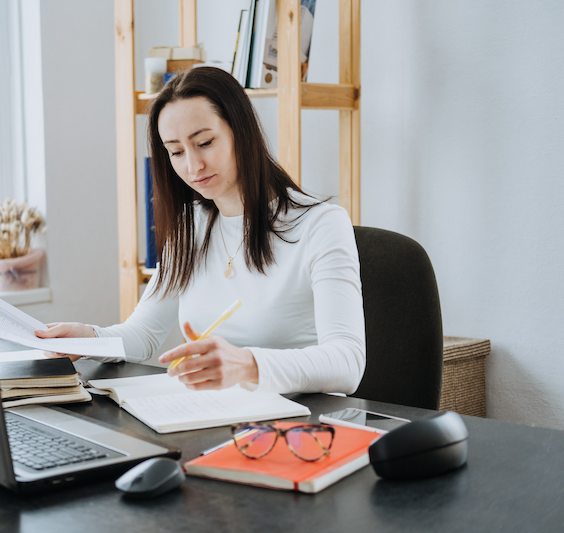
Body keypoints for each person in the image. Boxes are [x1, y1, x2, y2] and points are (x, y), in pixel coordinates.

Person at [36, 67, 365, 395]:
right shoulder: (190, 226)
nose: (193, 167)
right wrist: (87, 338)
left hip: (298, 429)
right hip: (214, 417)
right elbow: (145, 332)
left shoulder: (321, 225)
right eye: (176, 152)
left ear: (241, 131)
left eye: (204, 142)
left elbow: (347, 363)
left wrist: (247, 365)